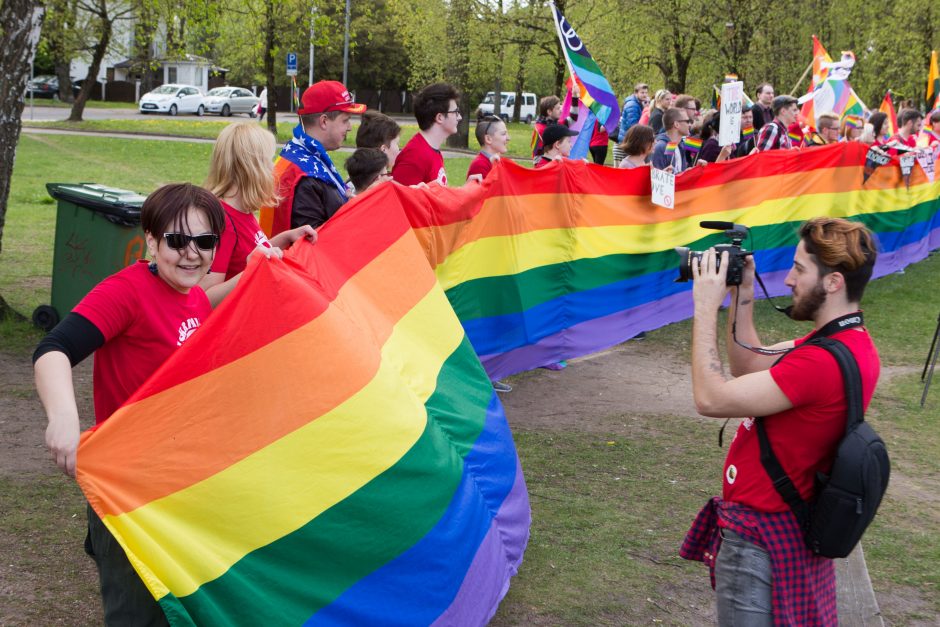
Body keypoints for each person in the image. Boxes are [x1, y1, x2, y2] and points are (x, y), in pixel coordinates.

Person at [34, 183, 228, 626]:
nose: (191, 253)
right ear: (152, 241)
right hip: (129, 490)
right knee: (137, 614)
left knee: (178, 607)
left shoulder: (192, 293)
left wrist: (263, 262)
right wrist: (64, 417)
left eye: (204, 241)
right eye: (177, 240)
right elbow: (54, 349)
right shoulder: (126, 292)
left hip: (178, 483)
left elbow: (197, 307)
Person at [681, 217, 880, 625]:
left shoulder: (820, 362)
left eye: (800, 269)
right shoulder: (847, 342)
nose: (788, 279)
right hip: (786, 528)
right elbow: (750, 364)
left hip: (762, 537)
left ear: (833, 283)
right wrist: (744, 293)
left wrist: (704, 307)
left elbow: (710, 398)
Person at [201, 123, 315, 306]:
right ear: (251, 169)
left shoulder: (243, 211)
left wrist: (286, 237)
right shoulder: (223, 222)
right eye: (269, 160)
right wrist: (250, 271)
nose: (273, 168)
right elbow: (205, 299)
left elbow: (248, 253)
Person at [269, 80, 365, 235]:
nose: (350, 127)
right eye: (345, 120)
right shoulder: (306, 176)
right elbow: (314, 242)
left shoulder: (305, 155)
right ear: (324, 121)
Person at [392, 82, 460, 186]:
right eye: (455, 112)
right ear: (439, 117)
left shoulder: (432, 150)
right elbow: (398, 199)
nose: (459, 117)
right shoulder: (414, 156)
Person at [532, 91, 579, 158]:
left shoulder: (557, 125)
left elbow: (573, 118)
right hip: (546, 165)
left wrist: (574, 97)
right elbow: (537, 154)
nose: (561, 110)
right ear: (549, 112)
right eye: (558, 108)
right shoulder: (539, 129)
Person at [613, 83, 650, 163]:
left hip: (629, 139)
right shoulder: (632, 105)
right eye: (642, 93)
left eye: (646, 93)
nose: (645, 95)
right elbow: (633, 126)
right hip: (628, 140)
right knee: (629, 165)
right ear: (636, 93)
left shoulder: (639, 103)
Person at [467, 114, 510, 180]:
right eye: (503, 134)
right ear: (488, 139)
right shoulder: (480, 165)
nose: (508, 138)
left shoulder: (497, 162)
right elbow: (485, 189)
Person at [651, 107, 692, 173]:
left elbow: (678, 175)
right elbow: (656, 179)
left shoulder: (680, 145)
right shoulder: (661, 146)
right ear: (676, 124)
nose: (690, 125)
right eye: (687, 121)